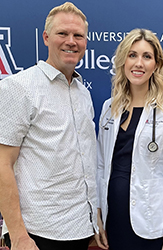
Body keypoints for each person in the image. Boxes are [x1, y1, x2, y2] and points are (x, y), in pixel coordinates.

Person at [0, 2, 97, 250]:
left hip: (80, 230)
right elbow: (2, 164)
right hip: (38, 234)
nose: (71, 41)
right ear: (45, 38)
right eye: (62, 33)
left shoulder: (82, 93)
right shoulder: (19, 88)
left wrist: (94, 222)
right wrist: (19, 235)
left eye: (78, 35)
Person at [95, 28, 163, 250]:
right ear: (122, 61)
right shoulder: (109, 108)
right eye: (132, 55)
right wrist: (98, 216)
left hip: (152, 222)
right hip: (114, 219)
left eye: (147, 57)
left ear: (156, 65)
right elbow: (100, 166)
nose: (139, 63)